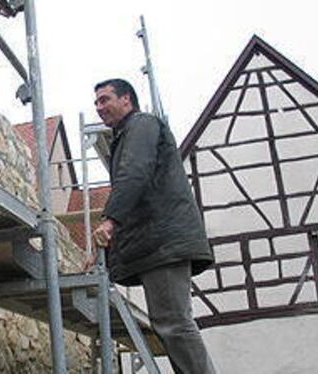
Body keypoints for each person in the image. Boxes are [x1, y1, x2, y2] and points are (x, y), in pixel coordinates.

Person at [85, 79, 216, 374]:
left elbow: (135, 173)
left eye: (105, 99)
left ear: (127, 100)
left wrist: (109, 221)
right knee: (169, 323)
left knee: (173, 322)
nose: (99, 107)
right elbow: (137, 196)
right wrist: (103, 252)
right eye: (96, 102)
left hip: (164, 243)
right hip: (158, 242)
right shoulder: (128, 134)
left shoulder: (142, 125)